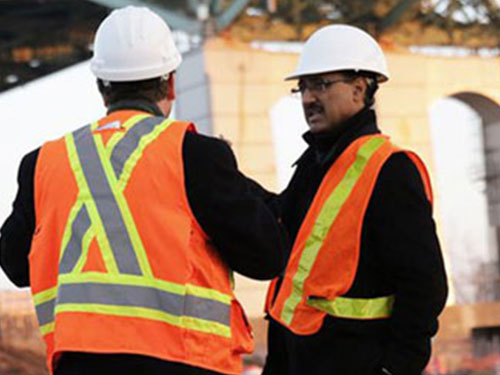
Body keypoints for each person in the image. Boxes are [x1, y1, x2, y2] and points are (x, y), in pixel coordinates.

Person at [0, 6, 287, 375]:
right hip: (187, 362)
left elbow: (15, 266)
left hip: (80, 365)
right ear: (170, 83)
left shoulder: (43, 163)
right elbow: (266, 258)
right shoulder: (195, 155)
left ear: (102, 86)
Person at [262, 25, 448, 375]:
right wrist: (221, 175)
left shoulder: (391, 170)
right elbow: (276, 217)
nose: (307, 99)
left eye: (321, 84)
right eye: (302, 87)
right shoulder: (315, 165)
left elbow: (425, 286)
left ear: (359, 89)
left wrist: (394, 368)